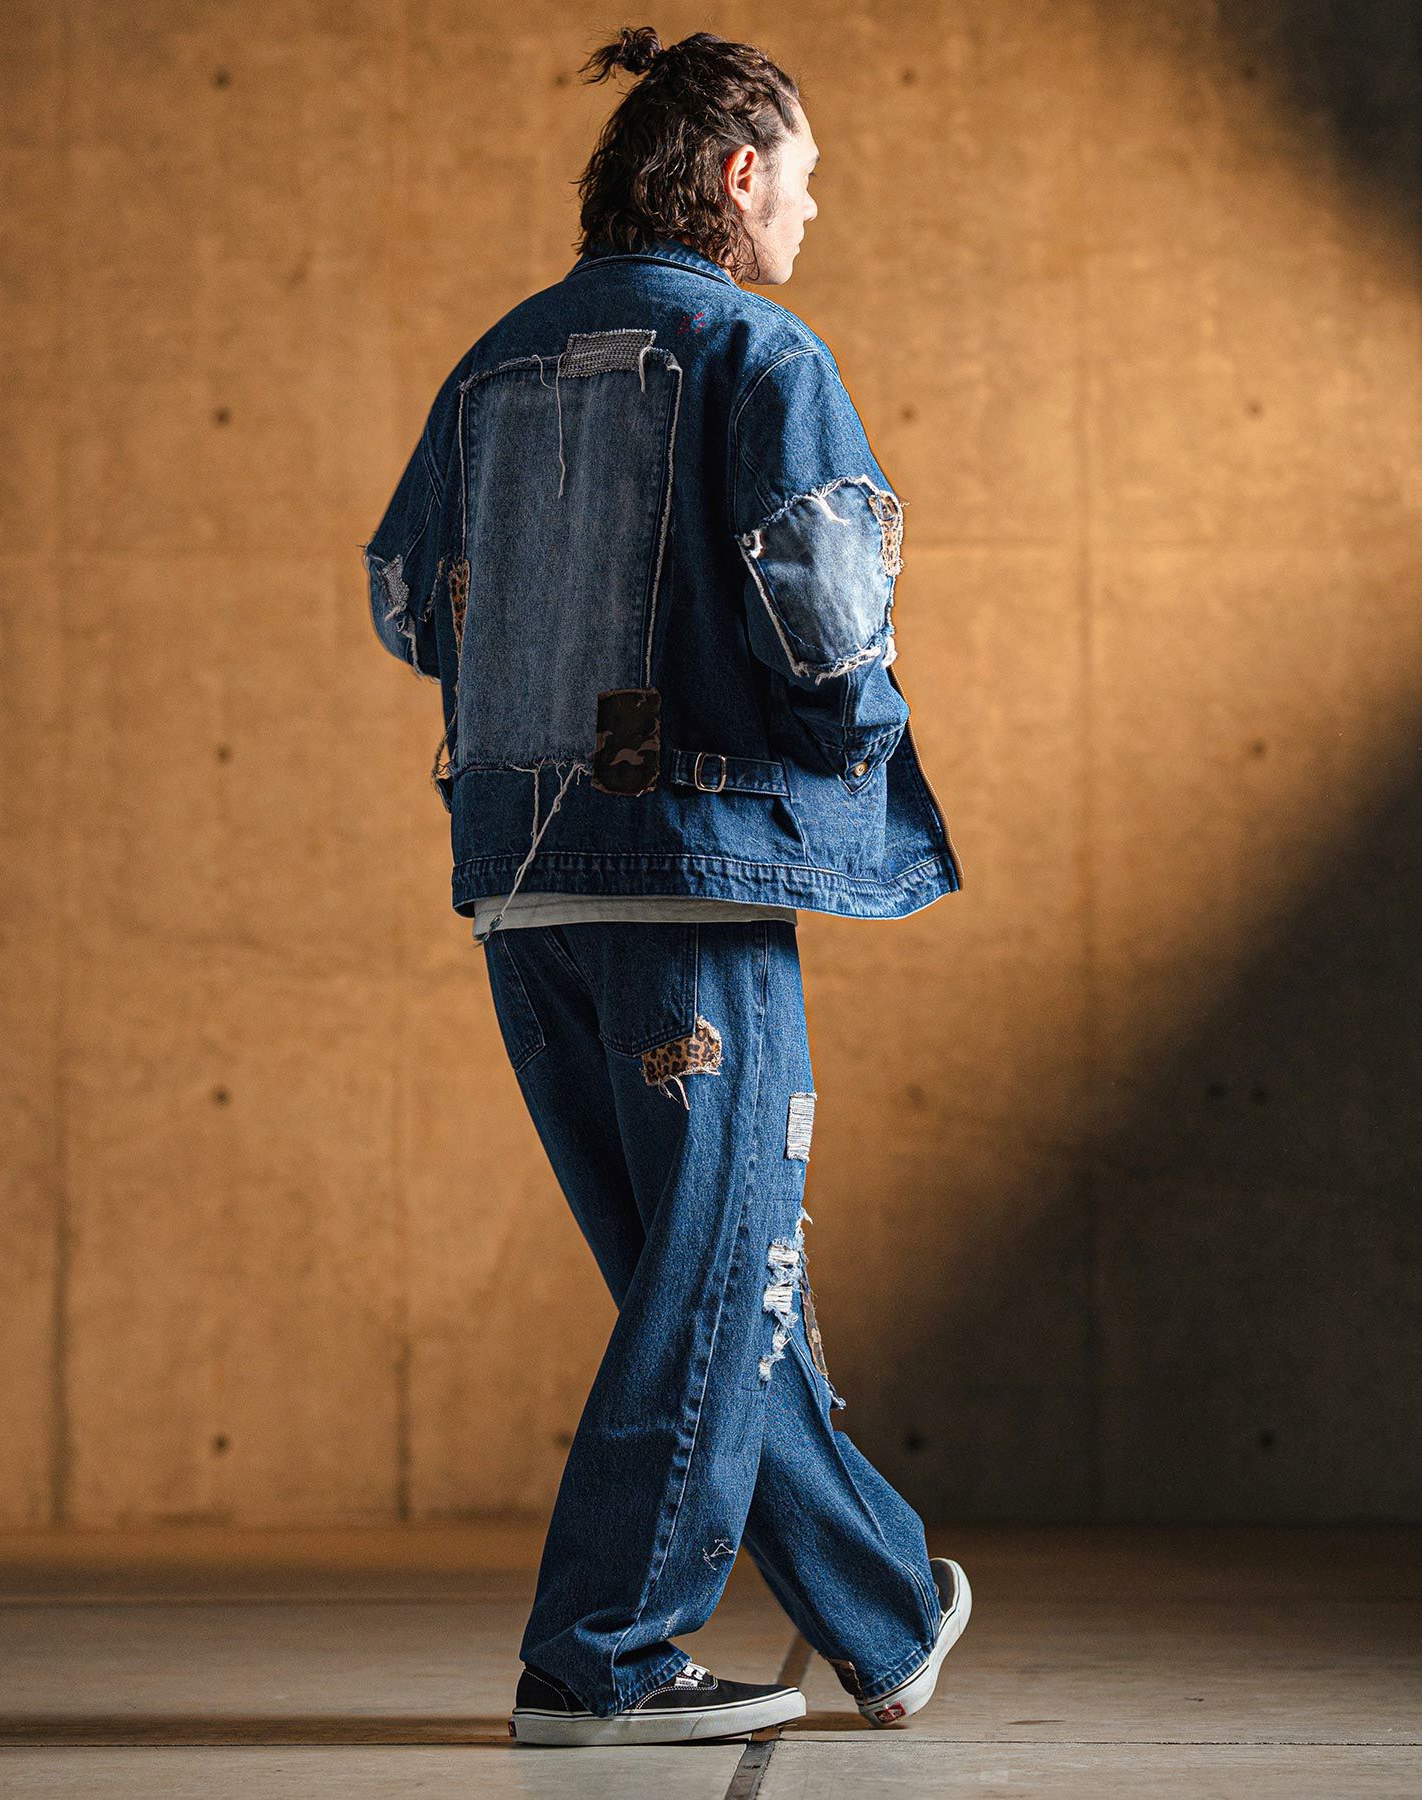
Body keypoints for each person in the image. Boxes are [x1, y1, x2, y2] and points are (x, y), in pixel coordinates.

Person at [363, 24, 970, 1748]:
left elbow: (411, 600)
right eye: (806, 177)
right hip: (692, 880)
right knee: (717, 1280)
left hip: (522, 885)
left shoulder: (494, 362)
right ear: (736, 172)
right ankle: (601, 1658)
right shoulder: (758, 350)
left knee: (700, 1278)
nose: (814, 211)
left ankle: (883, 1610)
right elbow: (828, 619)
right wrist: (856, 742)